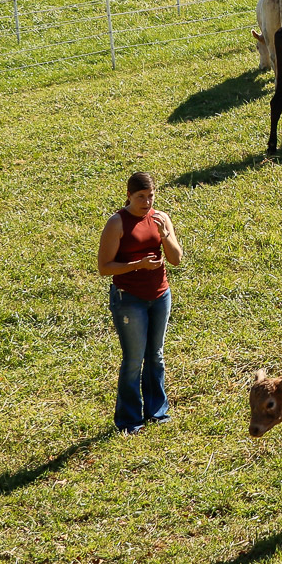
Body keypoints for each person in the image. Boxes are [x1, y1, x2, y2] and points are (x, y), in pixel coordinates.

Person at [96, 171, 183, 435]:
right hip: (129, 300)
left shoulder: (160, 218)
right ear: (129, 196)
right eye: (140, 197)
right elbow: (104, 267)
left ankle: (157, 412)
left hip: (160, 295)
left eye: (151, 196)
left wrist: (165, 234)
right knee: (134, 360)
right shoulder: (117, 223)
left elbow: (176, 259)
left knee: (155, 356)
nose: (146, 202)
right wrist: (138, 265)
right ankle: (129, 420)